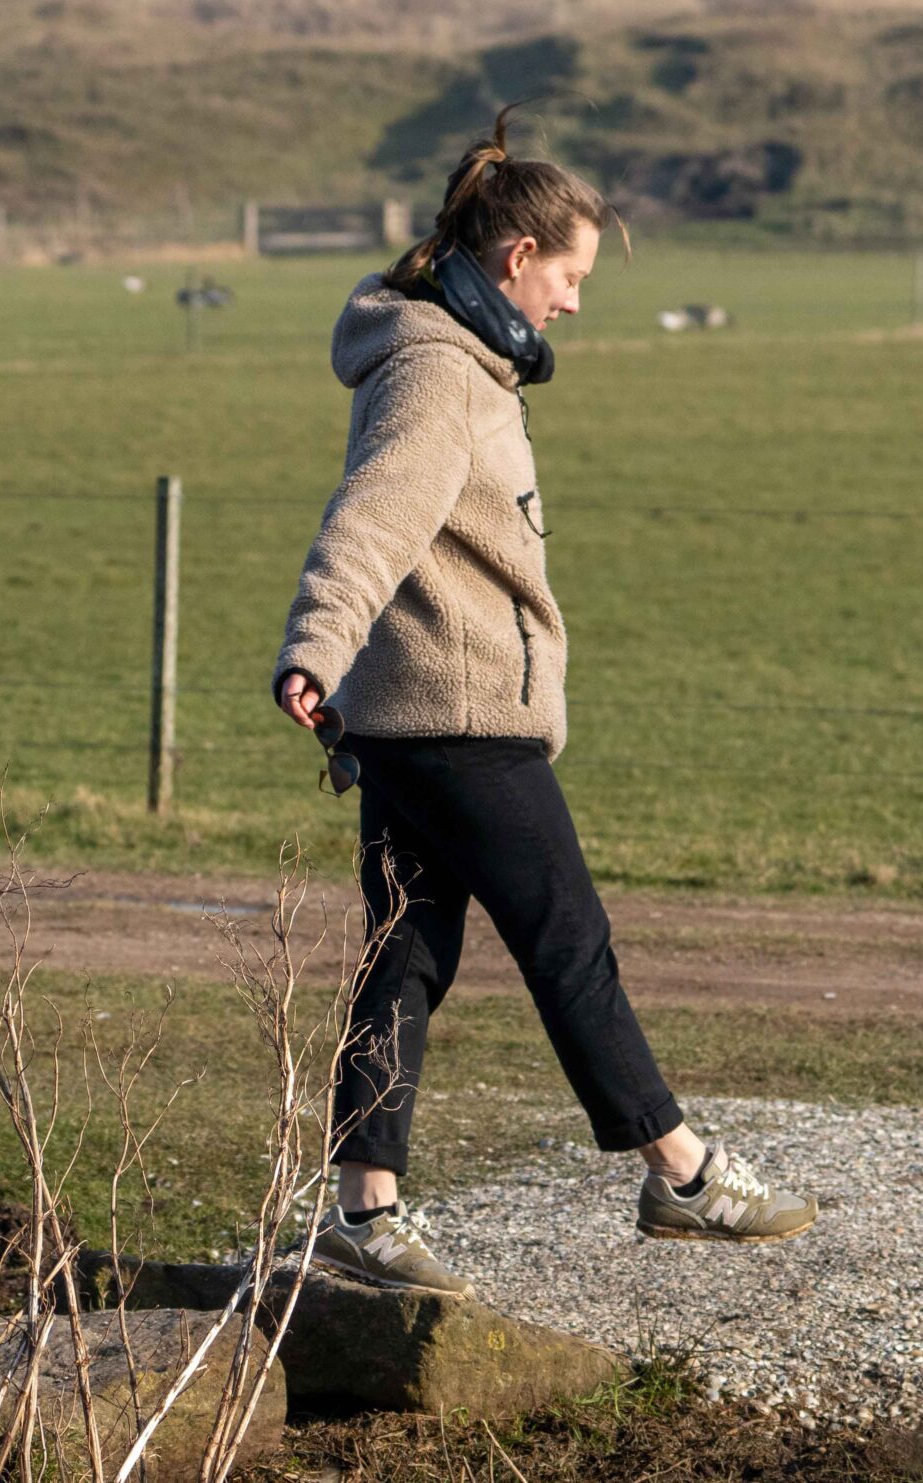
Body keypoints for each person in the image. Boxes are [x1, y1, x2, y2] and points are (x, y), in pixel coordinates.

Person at [272, 108, 815, 1297]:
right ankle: (682, 1175)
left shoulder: (451, 362)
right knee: (567, 944)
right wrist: (314, 641)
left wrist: (327, 663)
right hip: (460, 720)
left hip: (413, 717)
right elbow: (371, 515)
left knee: (403, 958)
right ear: (517, 259)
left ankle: (364, 1214)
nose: (572, 302)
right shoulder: (438, 373)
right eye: (568, 276)